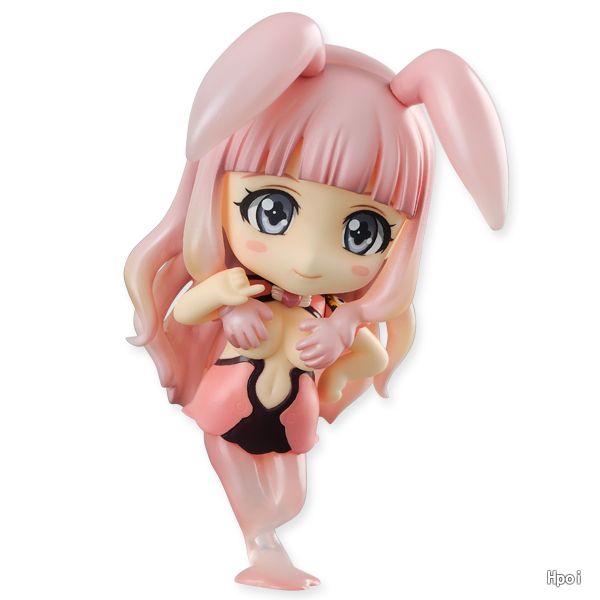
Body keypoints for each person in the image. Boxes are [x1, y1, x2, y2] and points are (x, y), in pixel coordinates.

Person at [124, 12, 507, 590]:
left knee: (291, 500)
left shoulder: (329, 312)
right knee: (247, 489)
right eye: (272, 210)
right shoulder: (243, 288)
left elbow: (371, 358)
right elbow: (185, 311)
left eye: (362, 232)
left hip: (294, 412)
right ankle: (261, 548)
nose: (307, 258)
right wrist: (227, 302)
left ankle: (268, 540)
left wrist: (340, 351)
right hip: (226, 397)